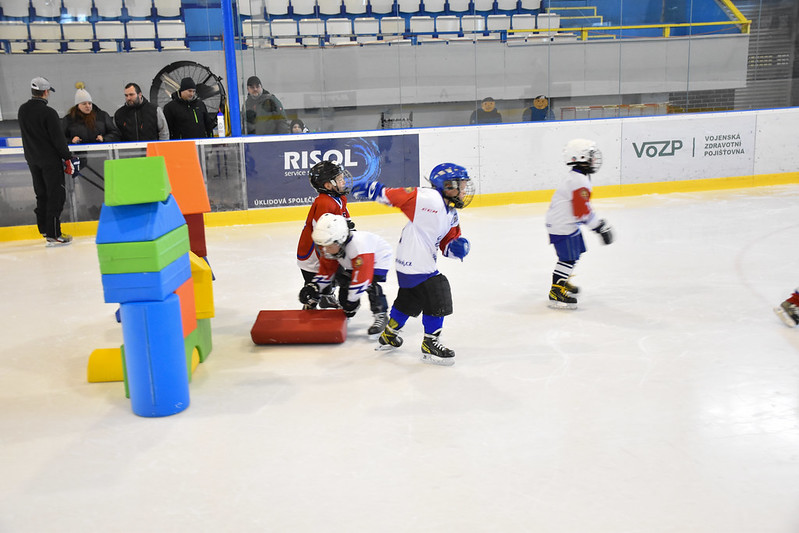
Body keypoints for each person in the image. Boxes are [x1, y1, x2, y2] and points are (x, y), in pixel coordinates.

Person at [351, 163, 474, 366]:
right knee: (438, 291)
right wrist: (374, 190)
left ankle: (389, 334)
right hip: (416, 263)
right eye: (460, 185)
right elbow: (398, 196)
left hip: (411, 263)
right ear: (447, 186)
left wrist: (456, 247)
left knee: (409, 299)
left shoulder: (451, 213)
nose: (463, 190)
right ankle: (430, 343)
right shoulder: (430, 199)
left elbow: (447, 244)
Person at [545, 138, 614, 309]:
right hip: (563, 226)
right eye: (591, 156)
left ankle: (563, 279)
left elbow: (582, 210)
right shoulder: (579, 182)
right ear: (581, 157)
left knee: (575, 254)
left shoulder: (579, 177)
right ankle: (556, 290)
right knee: (568, 258)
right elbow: (582, 211)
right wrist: (599, 227)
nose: (594, 160)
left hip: (566, 224)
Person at [299, 213, 392, 335]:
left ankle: (381, 314)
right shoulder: (331, 245)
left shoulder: (359, 247)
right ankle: (351, 306)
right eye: (322, 245)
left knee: (370, 284)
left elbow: (363, 279)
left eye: (328, 246)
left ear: (340, 240)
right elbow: (327, 271)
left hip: (377, 258)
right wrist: (314, 287)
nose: (325, 250)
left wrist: (351, 300)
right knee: (344, 282)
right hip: (354, 260)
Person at [18, 76, 78, 247]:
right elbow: (58, 140)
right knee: (55, 195)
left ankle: (44, 228)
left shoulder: (22, 110)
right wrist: (68, 157)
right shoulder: (49, 113)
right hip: (50, 161)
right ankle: (54, 233)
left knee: (41, 193)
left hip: (32, 159)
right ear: (45, 92)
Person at [296, 160, 354, 310]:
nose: (343, 181)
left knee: (331, 278)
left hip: (328, 249)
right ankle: (311, 305)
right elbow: (320, 234)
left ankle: (327, 298)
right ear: (328, 185)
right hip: (312, 255)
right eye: (339, 179)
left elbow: (346, 219)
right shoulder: (324, 203)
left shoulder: (340, 198)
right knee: (317, 282)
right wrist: (326, 258)